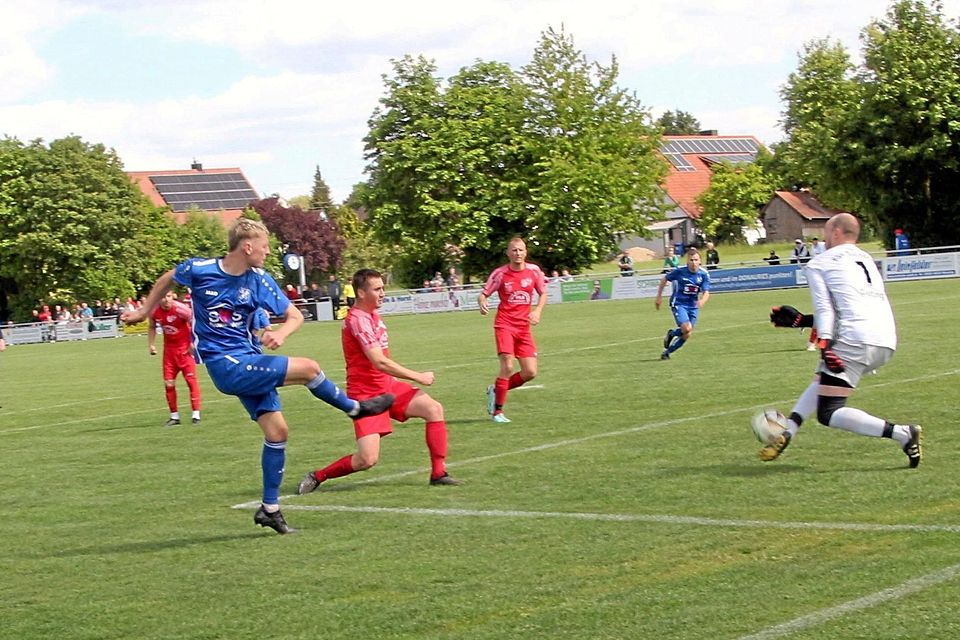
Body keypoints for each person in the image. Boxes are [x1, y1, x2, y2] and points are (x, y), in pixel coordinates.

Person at [120, 219, 394, 535]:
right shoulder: (201, 269)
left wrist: (282, 333)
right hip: (226, 365)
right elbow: (169, 277)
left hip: (250, 359)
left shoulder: (259, 280)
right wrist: (143, 311)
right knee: (310, 368)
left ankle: (270, 509)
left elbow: (294, 315)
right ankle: (355, 409)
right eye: (264, 247)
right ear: (247, 246)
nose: (267, 252)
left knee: (278, 432)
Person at [764, 213, 922, 467]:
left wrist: (824, 344)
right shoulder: (866, 258)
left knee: (829, 412)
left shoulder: (819, 263)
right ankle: (789, 430)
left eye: (826, 233)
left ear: (836, 232)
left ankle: (902, 433)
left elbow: (827, 310)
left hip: (853, 340)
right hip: (885, 339)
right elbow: (850, 307)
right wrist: (802, 321)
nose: (824, 239)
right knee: (822, 379)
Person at [297, 268, 459, 493]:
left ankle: (438, 473)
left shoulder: (373, 315)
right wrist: (418, 376)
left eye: (383, 288)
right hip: (366, 396)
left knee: (433, 409)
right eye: (378, 289)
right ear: (362, 293)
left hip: (387, 387)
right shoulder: (357, 320)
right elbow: (379, 361)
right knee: (367, 459)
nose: (383, 293)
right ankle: (318, 476)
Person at [478, 237, 547, 423]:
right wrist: (483, 303)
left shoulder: (534, 271)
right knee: (507, 366)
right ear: (508, 253)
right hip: (505, 325)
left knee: (530, 372)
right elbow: (483, 294)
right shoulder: (500, 274)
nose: (518, 254)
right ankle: (497, 412)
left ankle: (496, 389)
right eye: (514, 250)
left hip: (524, 328)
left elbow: (543, 293)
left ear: (526, 252)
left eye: (521, 250)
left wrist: (537, 311)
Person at [148, 291, 202, 426]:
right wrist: (151, 344)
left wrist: (192, 343)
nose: (165, 300)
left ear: (173, 296)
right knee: (169, 384)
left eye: (168, 296)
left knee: (191, 381)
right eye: (162, 297)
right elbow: (152, 326)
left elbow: (196, 323)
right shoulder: (155, 311)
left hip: (185, 351)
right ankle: (174, 417)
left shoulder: (181, 309)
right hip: (169, 353)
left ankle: (196, 414)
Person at [655, 247, 710, 360]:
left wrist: (702, 300)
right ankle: (672, 334)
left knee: (687, 334)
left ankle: (667, 352)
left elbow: (706, 292)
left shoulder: (703, 274)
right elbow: (664, 279)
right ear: (687, 261)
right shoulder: (680, 271)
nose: (693, 263)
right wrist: (659, 297)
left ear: (700, 261)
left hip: (693, 305)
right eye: (691, 260)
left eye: (696, 260)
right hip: (679, 303)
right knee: (686, 328)